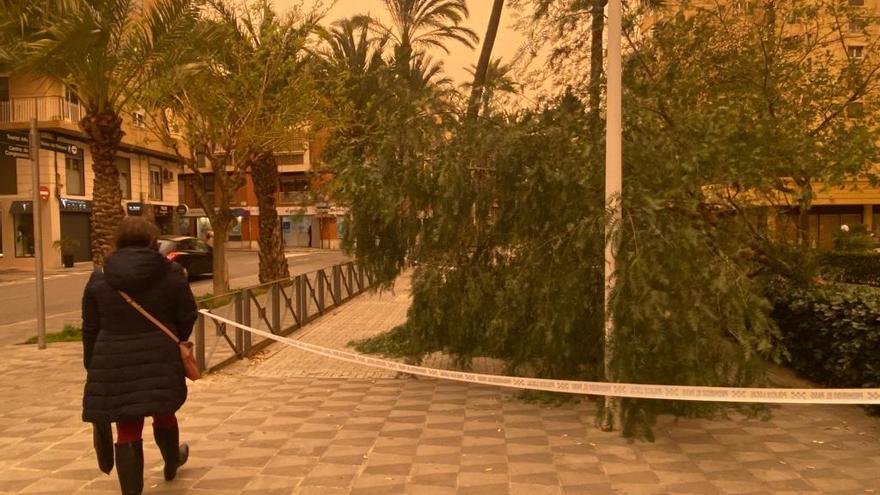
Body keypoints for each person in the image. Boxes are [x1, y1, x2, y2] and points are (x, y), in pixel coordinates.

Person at [82, 217, 198, 494]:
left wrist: (92, 364)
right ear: (152, 241)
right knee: (164, 410)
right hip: (161, 354)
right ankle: (172, 462)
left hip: (113, 360)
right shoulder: (171, 273)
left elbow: (90, 326)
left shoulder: (99, 277)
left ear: (118, 241)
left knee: (127, 426)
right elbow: (188, 314)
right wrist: (176, 339)